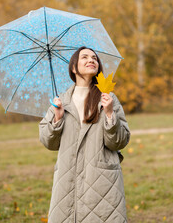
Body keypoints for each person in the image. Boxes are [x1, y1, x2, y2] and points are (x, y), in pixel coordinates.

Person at [39, 46, 131, 222]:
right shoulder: (61, 101)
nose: (91, 60)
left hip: (100, 180)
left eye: (94, 58)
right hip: (67, 181)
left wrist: (110, 114)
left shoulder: (108, 98)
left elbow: (119, 141)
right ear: (73, 68)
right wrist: (57, 119)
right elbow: (48, 142)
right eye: (85, 57)